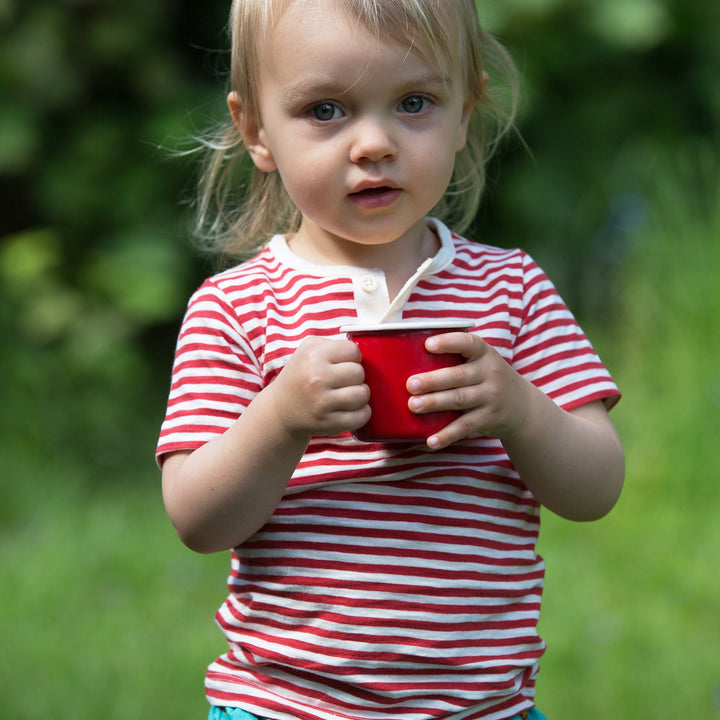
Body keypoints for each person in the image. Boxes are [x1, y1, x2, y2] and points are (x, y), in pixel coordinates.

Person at [157, 1, 625, 719]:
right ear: (256, 130)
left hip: (480, 707)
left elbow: (596, 487)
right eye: (324, 111)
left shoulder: (513, 290)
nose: (373, 143)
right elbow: (196, 517)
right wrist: (279, 420)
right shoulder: (238, 307)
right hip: (286, 705)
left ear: (464, 112)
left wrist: (522, 410)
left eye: (413, 102)